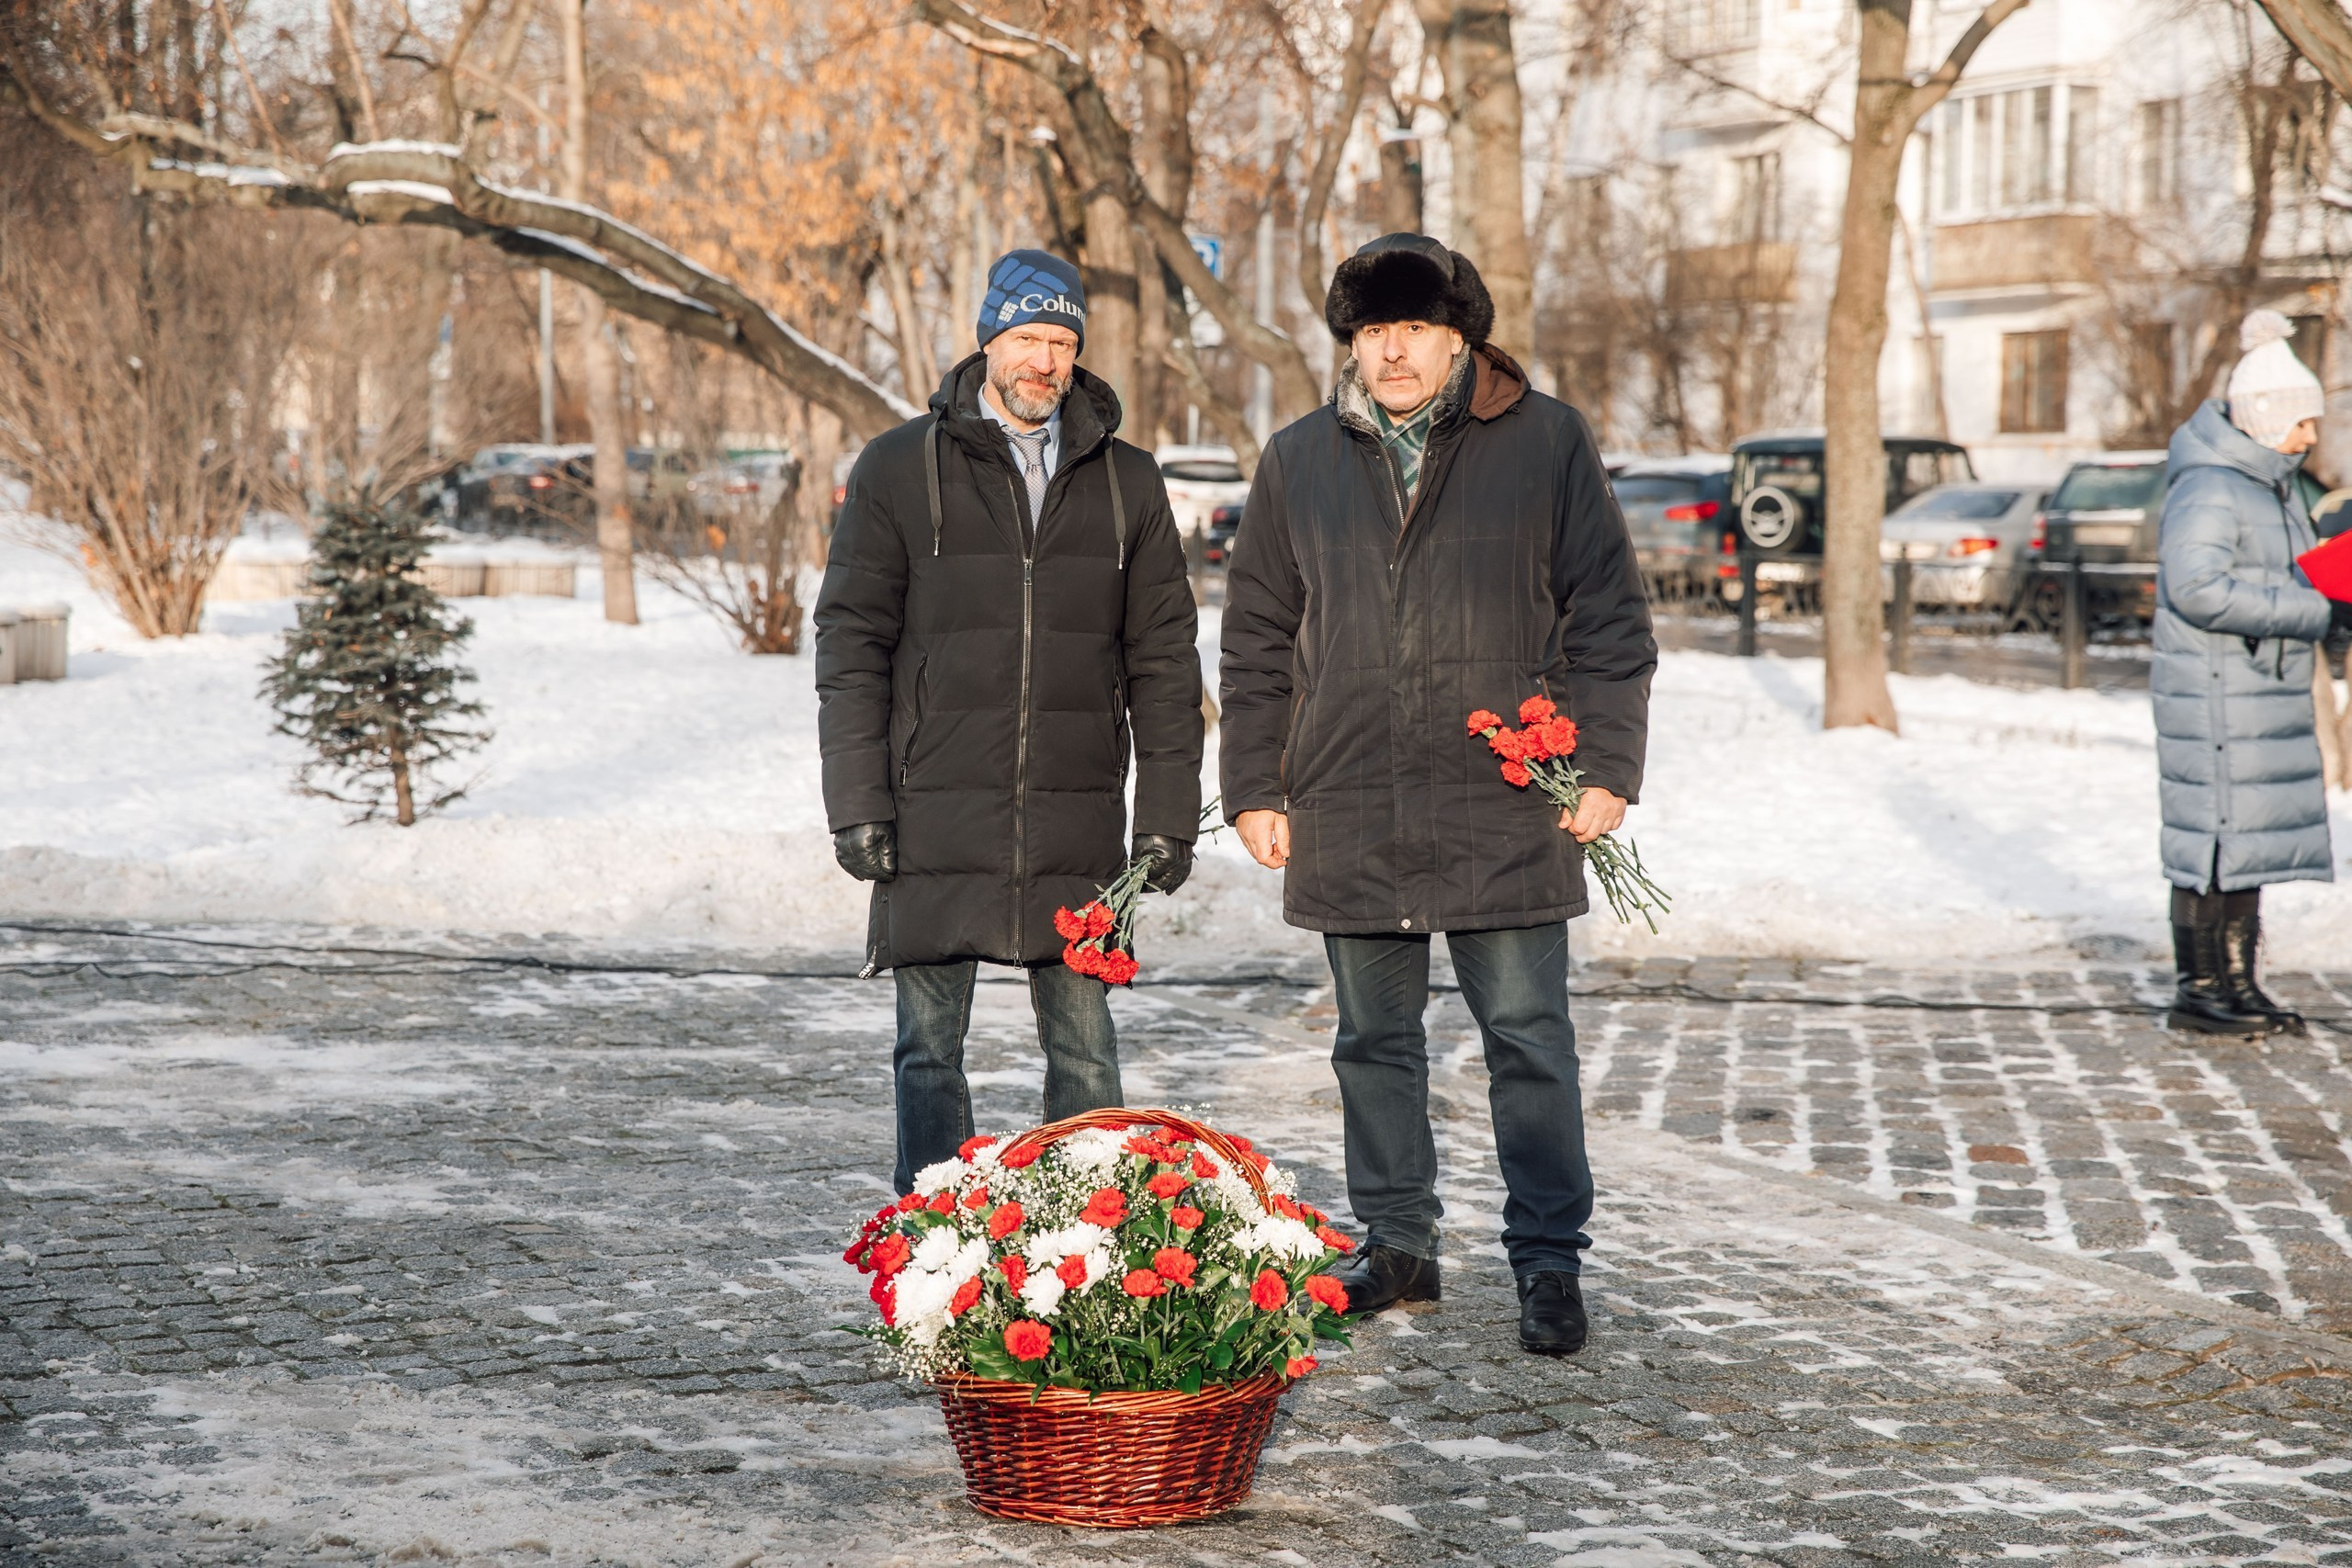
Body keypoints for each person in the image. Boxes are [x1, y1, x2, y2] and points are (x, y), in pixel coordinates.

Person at [1219, 233, 1655, 1356]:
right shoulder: (1297, 458)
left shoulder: (1545, 441)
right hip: (1349, 791)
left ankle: (1548, 1261)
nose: (1392, 351)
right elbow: (1257, 641)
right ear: (1351, 347)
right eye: (1371, 332)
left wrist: (1604, 765)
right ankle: (1399, 1248)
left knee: (1526, 1037)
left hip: (1505, 793)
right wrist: (1255, 782)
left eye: (1413, 328)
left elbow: (1607, 618)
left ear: (1460, 337)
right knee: (1372, 1040)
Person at [814, 249, 1204, 1191]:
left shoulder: (1127, 481)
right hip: (931, 807)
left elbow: (1163, 663)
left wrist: (1165, 817)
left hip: (1075, 817)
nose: (1047, 360)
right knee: (928, 1056)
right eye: (1028, 337)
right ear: (989, 340)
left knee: (1084, 1056)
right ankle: (933, 1247)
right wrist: (855, 801)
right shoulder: (901, 466)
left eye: (1063, 342)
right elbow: (850, 645)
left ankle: (1085, 1243)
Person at [2154, 309, 2347, 1036]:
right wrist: (2312, 611)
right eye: (2301, 424)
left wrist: (2333, 588)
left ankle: (2238, 984)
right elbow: (2197, 589)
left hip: (2253, 690)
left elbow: (2282, 576)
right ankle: (2200, 987)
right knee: (2213, 843)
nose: (2308, 439)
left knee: (2247, 843)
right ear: (2264, 419)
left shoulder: (2270, 487)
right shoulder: (2211, 487)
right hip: (2215, 697)